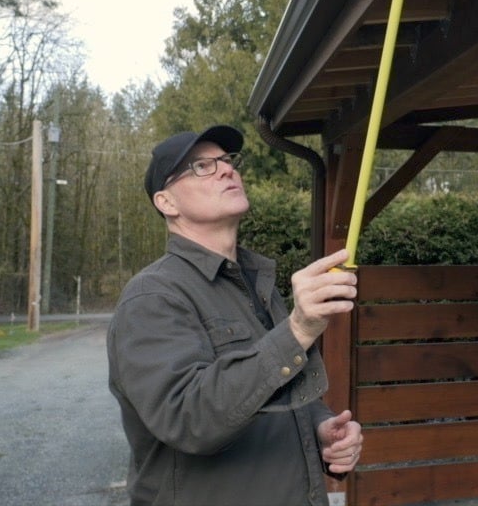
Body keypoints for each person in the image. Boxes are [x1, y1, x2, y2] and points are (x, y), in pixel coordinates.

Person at [107, 125, 362, 506]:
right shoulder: (152, 297)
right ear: (166, 202)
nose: (227, 170)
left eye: (226, 161)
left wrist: (321, 428)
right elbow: (188, 418)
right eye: (200, 167)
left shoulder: (257, 283)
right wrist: (297, 330)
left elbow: (283, 388)